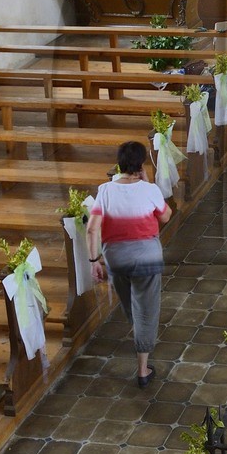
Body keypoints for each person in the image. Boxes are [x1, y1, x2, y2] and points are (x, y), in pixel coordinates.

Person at [86, 141, 173, 387]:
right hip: (147, 257)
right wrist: (147, 183)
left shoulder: (105, 191)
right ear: (141, 165)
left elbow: (92, 229)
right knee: (146, 310)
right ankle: (143, 370)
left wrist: (94, 261)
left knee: (132, 306)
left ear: (119, 163)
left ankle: (141, 332)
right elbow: (166, 216)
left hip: (115, 259)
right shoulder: (149, 190)